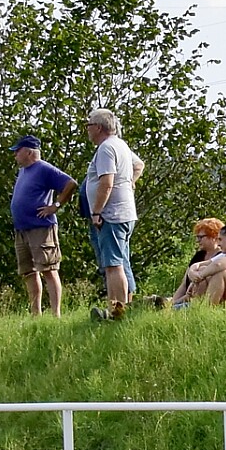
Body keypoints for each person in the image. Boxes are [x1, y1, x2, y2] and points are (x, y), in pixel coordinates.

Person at [84, 108, 146, 320]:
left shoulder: (106, 148)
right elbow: (138, 165)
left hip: (111, 215)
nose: (87, 129)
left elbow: (107, 182)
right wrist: (129, 183)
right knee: (120, 261)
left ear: (98, 127)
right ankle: (121, 308)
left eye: (89, 125)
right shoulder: (120, 144)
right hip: (124, 213)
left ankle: (117, 311)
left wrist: (96, 212)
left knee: (113, 265)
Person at [9, 136, 78, 317]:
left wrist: (55, 206)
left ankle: (56, 314)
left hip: (41, 228)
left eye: (18, 151)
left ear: (29, 152)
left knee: (49, 269)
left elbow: (70, 183)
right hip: (22, 229)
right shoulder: (23, 171)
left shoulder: (43, 168)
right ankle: (36, 314)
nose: (15, 154)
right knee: (28, 272)